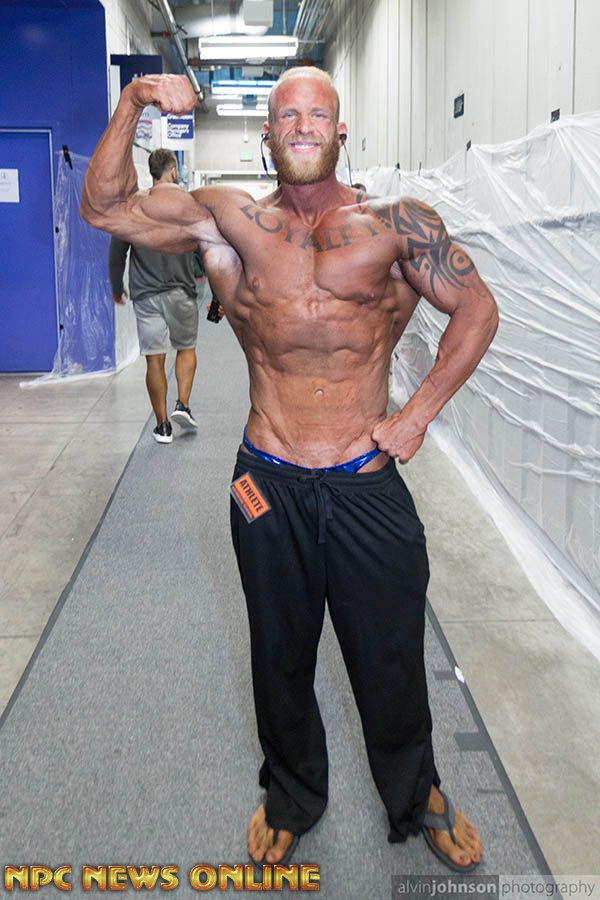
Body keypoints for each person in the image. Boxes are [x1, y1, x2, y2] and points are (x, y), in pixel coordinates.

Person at [82, 67, 499, 872]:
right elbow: (103, 208)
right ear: (267, 135)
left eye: (318, 114)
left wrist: (417, 415)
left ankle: (417, 793)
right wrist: (132, 101)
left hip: (365, 477)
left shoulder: (398, 224)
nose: (302, 125)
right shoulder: (227, 221)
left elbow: (477, 308)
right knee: (279, 654)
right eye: (287, 115)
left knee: (389, 655)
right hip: (266, 478)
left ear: (339, 131)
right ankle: (291, 795)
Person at [108, 148, 200, 444]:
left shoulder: (134, 206)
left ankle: (162, 426)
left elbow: (117, 252)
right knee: (186, 348)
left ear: (151, 173)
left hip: (146, 294)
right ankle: (182, 404)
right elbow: (206, 246)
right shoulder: (189, 204)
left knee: (154, 359)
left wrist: (116, 287)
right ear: (173, 171)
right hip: (181, 290)